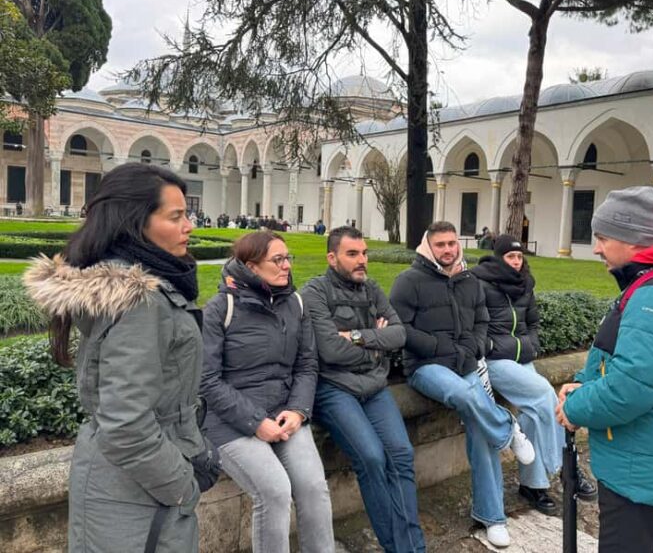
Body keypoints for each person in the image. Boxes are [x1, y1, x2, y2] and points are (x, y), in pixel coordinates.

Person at [24, 164, 207, 552]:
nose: (189, 225)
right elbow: (125, 425)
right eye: (176, 216)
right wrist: (183, 485)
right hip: (134, 493)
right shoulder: (139, 300)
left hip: (138, 484)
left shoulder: (144, 287)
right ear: (134, 223)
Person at [555, 186, 653, 553]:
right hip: (636, 456)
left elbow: (630, 389)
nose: (596, 247)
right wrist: (581, 384)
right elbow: (619, 361)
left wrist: (573, 410)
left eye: (602, 237)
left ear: (631, 239)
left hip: (637, 464)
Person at [389, 221, 535, 548]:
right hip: (426, 367)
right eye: (440, 244)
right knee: (462, 393)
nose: (448, 249)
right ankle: (508, 425)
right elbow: (400, 330)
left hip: (465, 362)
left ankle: (492, 516)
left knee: (479, 430)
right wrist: (439, 348)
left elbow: (482, 321)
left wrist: (473, 347)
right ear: (428, 247)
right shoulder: (408, 281)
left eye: (452, 243)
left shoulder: (470, 281)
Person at [201, 231, 334, 553]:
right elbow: (206, 380)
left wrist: (298, 410)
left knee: (314, 488)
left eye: (288, 258)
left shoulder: (295, 303)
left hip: (285, 413)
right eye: (278, 259)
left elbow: (306, 365)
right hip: (230, 422)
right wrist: (255, 422)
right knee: (274, 491)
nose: (287, 265)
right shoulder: (220, 308)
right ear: (251, 266)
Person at [302, 226, 425, 552]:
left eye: (365, 253)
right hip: (334, 389)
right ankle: (395, 546)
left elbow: (399, 334)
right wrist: (375, 341)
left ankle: (413, 547)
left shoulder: (371, 289)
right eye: (352, 254)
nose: (362, 261)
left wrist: (358, 336)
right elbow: (329, 350)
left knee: (401, 455)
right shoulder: (314, 292)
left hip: (374, 388)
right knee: (371, 457)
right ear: (332, 257)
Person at [471, 235, 597, 516]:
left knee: (533, 414)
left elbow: (533, 322)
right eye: (510, 257)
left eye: (519, 257)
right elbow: (474, 324)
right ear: (498, 257)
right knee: (543, 393)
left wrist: (532, 344)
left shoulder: (526, 283)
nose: (516, 262)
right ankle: (567, 468)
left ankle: (533, 485)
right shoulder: (480, 282)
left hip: (523, 357)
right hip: (495, 361)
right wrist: (490, 346)